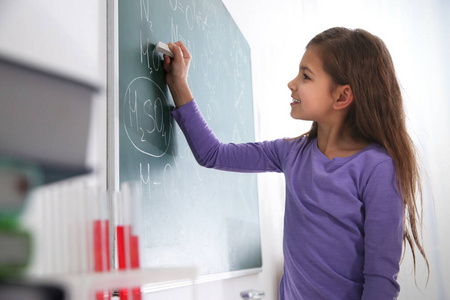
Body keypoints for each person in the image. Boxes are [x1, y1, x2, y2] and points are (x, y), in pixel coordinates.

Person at [162, 27, 429, 299]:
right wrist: (178, 84)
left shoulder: (378, 168)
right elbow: (213, 154)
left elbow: (380, 281)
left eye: (306, 76)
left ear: (341, 96)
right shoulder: (291, 153)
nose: (292, 83)